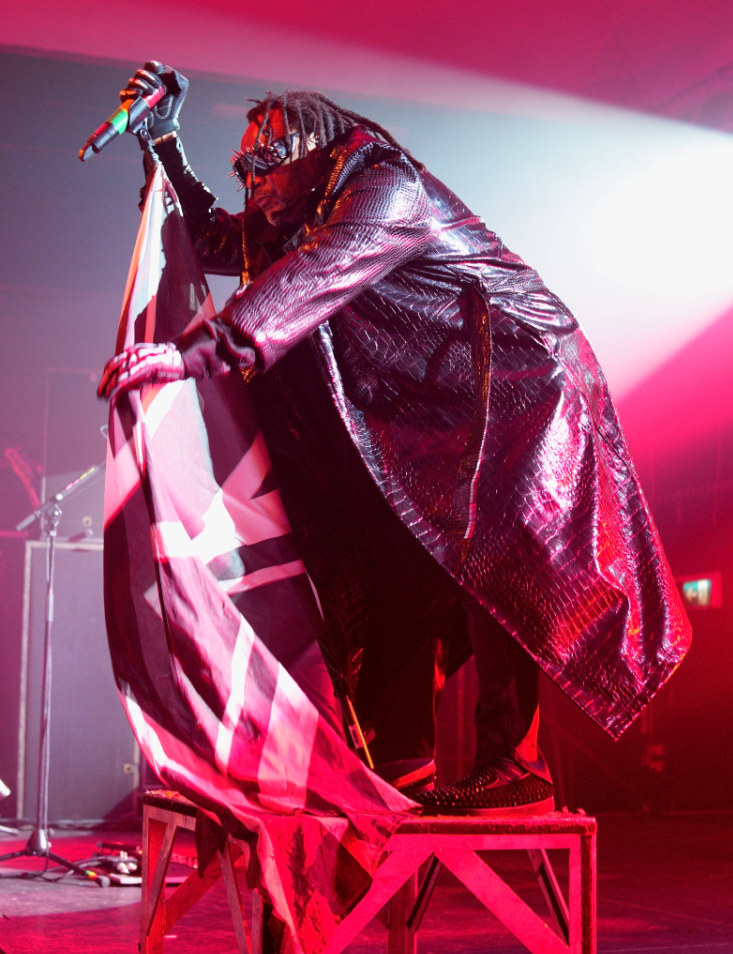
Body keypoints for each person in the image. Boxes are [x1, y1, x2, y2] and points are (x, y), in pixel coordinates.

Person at [98, 62, 691, 815]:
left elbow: (316, 272)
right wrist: (165, 143)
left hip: (524, 382)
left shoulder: (385, 189)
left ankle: (518, 767)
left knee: (497, 560)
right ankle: (402, 761)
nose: (253, 182)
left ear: (314, 145)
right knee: (395, 566)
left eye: (264, 162)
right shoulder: (307, 209)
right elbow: (218, 239)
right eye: (243, 168)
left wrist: (194, 355)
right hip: (443, 409)